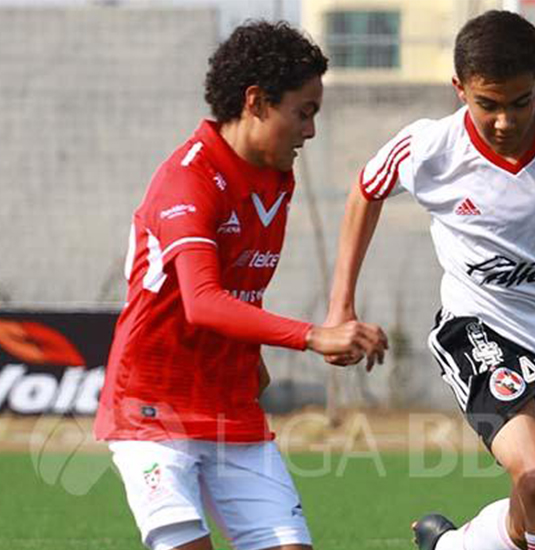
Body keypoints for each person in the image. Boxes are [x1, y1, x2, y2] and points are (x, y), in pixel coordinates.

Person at [325, 10, 535, 550]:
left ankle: (450, 546)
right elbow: (367, 190)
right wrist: (340, 306)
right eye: (488, 104)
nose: (505, 121)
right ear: (459, 88)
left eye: (519, 102)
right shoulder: (430, 148)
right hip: (476, 326)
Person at [95, 21, 388, 550]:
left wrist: (249, 358)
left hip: (232, 407)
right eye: (304, 112)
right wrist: (313, 336)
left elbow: (239, 284)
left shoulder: (276, 177)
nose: (311, 131)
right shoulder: (188, 179)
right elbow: (203, 302)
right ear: (256, 102)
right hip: (154, 409)